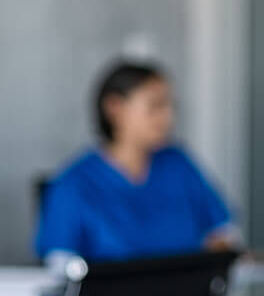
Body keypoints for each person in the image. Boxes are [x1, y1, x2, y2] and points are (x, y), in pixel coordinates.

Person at [35, 61, 237, 265]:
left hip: (190, 295)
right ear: (115, 107)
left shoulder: (179, 165)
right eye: (155, 106)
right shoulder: (73, 184)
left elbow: (222, 232)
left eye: (170, 106)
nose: (168, 117)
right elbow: (60, 264)